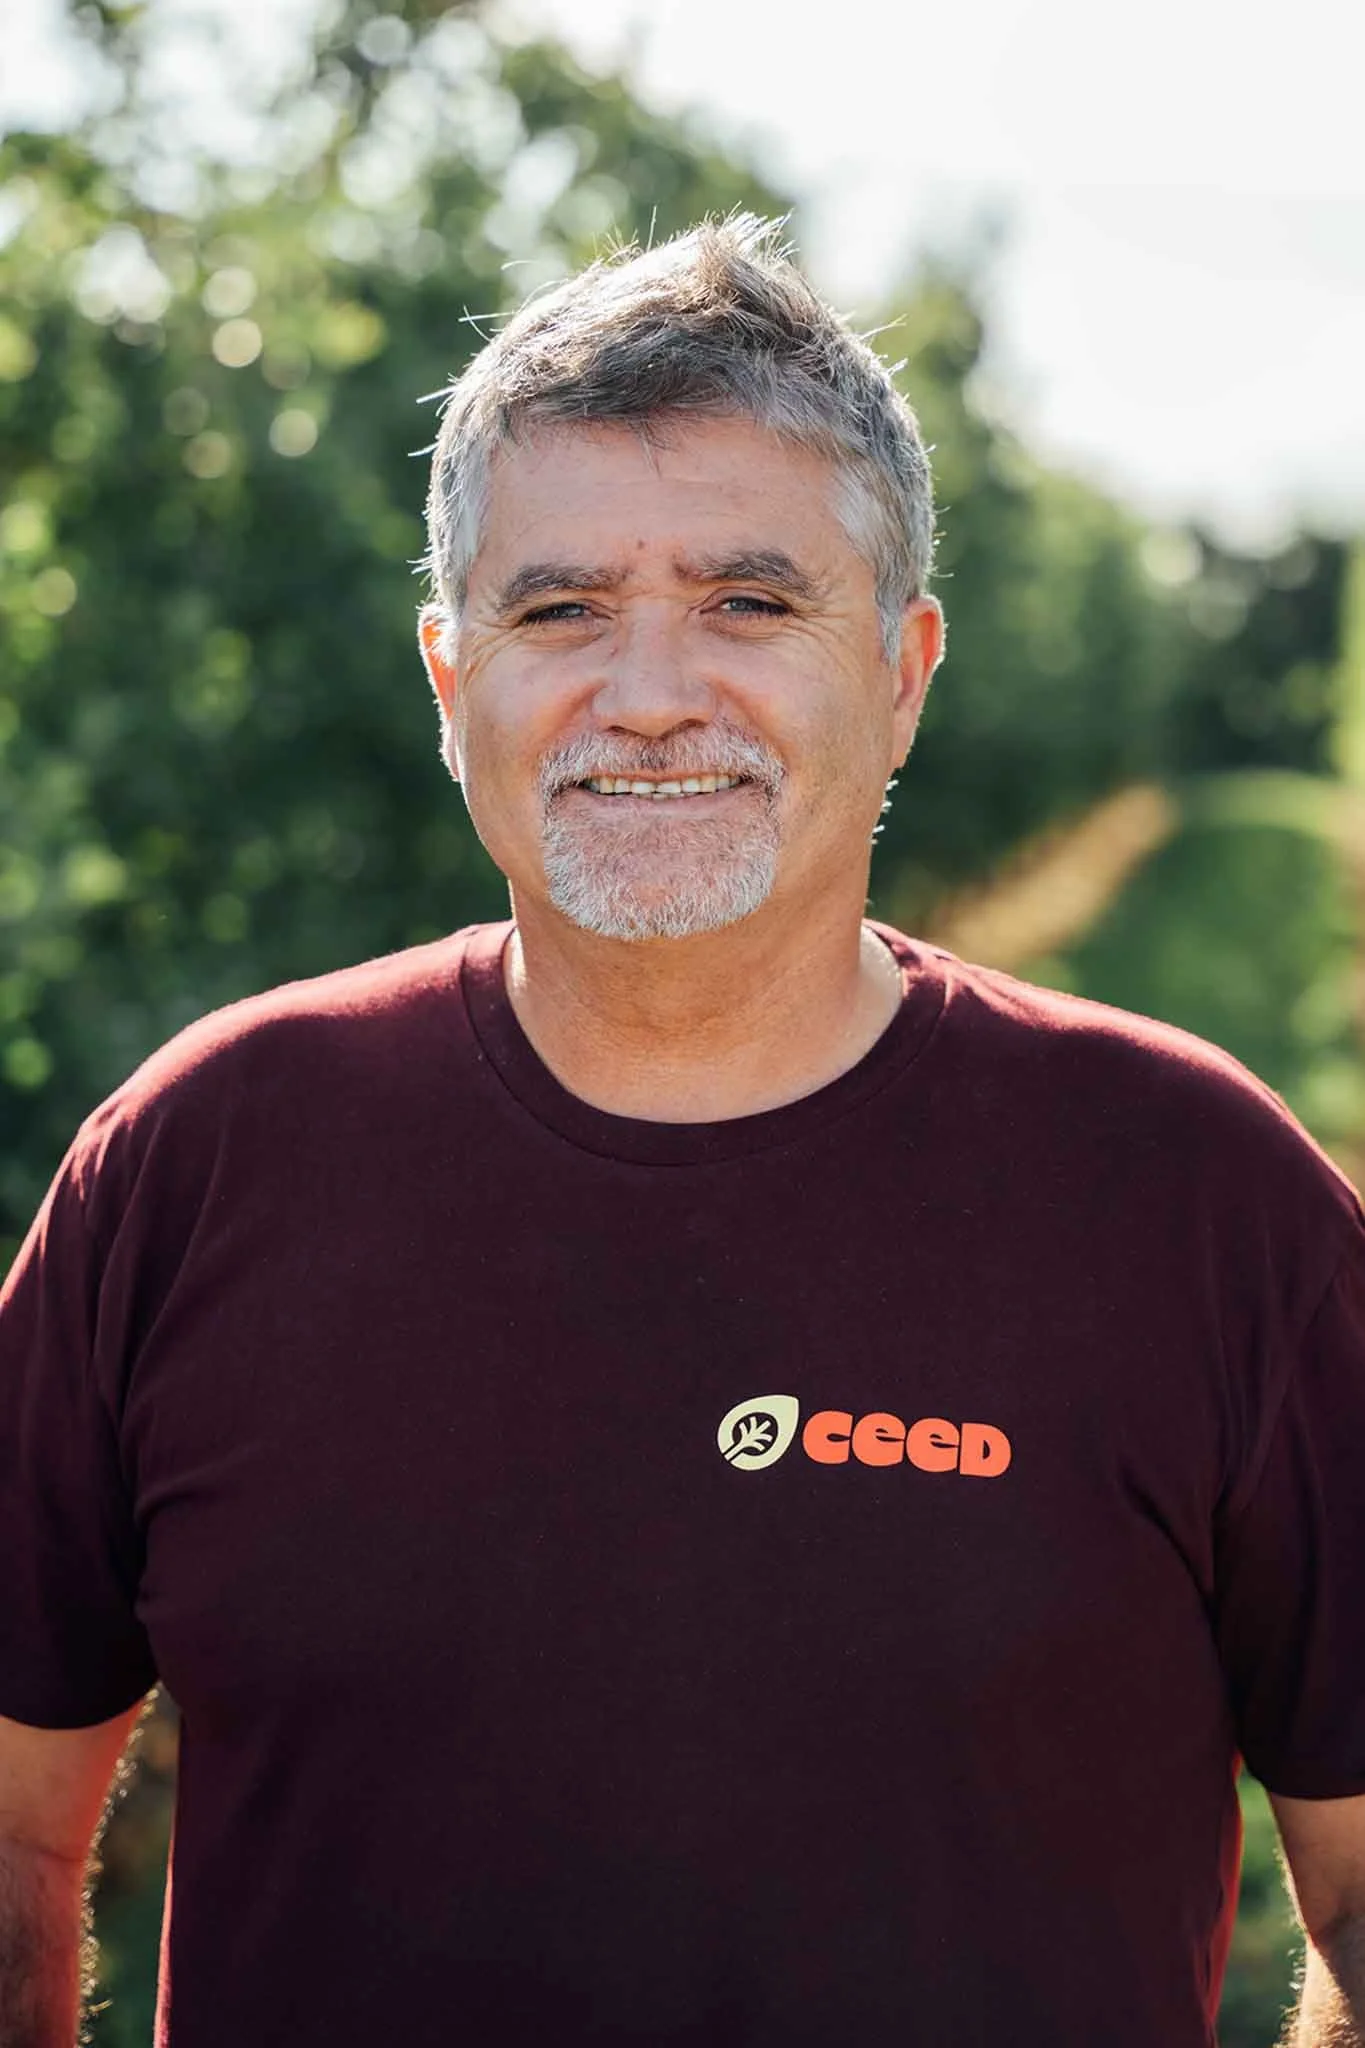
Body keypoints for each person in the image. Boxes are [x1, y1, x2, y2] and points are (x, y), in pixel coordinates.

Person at [1, 213, 1363, 2048]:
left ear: (902, 672)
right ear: (446, 676)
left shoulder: (1208, 1203)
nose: (647, 695)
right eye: (558, 608)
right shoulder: (194, 1165)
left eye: (750, 601)